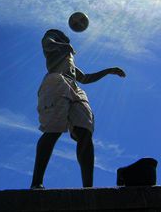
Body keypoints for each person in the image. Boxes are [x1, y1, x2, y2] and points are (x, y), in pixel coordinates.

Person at [30, 29, 126, 189]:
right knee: (53, 130)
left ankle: (88, 188)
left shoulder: (69, 59)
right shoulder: (54, 46)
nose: (67, 39)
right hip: (56, 81)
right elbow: (48, 42)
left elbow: (86, 78)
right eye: (63, 38)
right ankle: (36, 182)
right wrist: (63, 44)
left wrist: (109, 71)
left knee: (85, 132)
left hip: (74, 87)